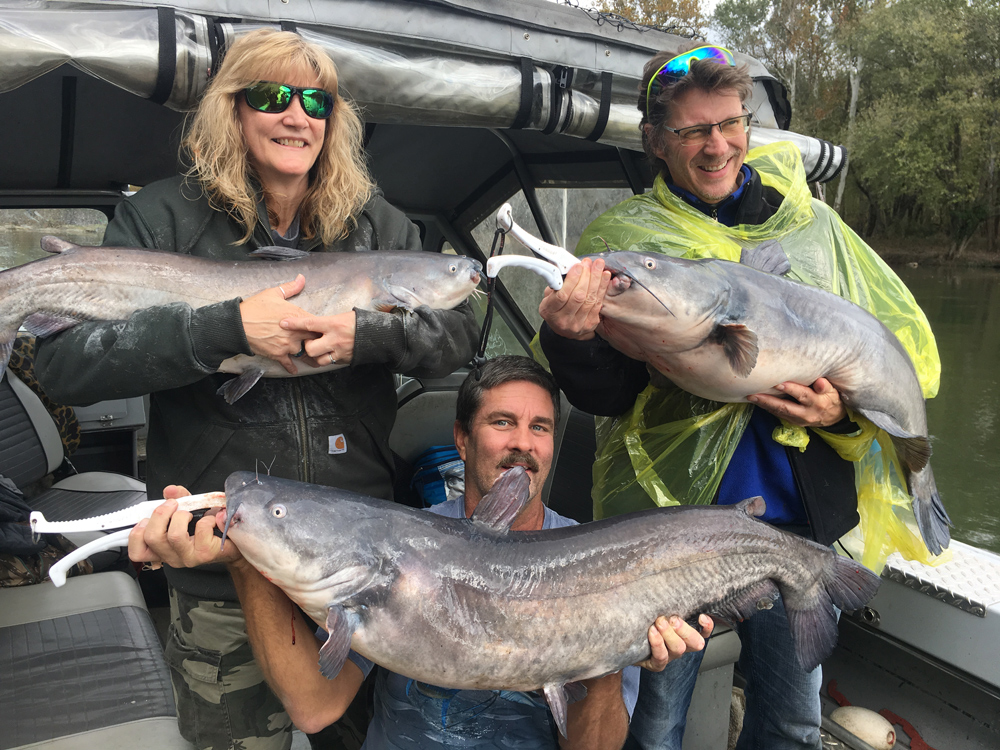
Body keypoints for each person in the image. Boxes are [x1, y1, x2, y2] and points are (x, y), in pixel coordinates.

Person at [35, 29, 478, 750]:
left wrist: (369, 337)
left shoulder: (378, 226)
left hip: (360, 564)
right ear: (234, 111)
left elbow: (462, 336)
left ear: (334, 119)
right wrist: (224, 331)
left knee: (365, 738)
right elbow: (63, 366)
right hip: (220, 561)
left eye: (316, 100)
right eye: (271, 96)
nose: (295, 116)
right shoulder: (160, 219)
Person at [537, 46, 940, 750]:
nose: (716, 144)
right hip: (670, 537)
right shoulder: (625, 245)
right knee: (654, 723)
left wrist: (839, 412)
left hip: (799, 522)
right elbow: (607, 394)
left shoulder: (809, 229)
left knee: (788, 722)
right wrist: (572, 338)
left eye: (729, 123)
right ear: (658, 142)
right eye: (693, 131)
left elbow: (880, 346)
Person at [128, 355, 715, 749]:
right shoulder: (395, 547)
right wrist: (244, 562)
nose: (521, 444)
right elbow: (314, 707)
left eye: (539, 427)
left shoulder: (604, 566)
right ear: (462, 437)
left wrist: (608, 662)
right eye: (503, 422)